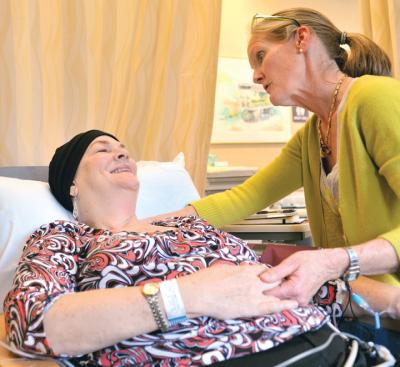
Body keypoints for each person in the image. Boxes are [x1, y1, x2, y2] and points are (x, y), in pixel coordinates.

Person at [152, 7, 400, 354]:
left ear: (302, 38)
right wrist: (145, 227)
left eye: (260, 57)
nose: (255, 75)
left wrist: (334, 261)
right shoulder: (313, 135)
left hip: (389, 314)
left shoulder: (376, 99)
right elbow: (243, 197)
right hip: (355, 311)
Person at [4, 129, 367, 366]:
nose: (121, 154)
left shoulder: (188, 227)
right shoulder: (64, 238)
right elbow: (34, 325)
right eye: (103, 149)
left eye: (124, 150)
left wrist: (387, 302)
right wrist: (189, 295)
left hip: (334, 348)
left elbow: (294, 282)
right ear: (71, 184)